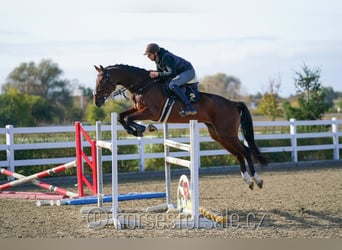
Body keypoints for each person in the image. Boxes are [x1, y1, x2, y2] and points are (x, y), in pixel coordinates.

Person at [144, 43, 197, 116]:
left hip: (188, 71)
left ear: (155, 53)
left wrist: (157, 74)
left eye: (149, 54)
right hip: (180, 73)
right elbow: (162, 74)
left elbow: (172, 74)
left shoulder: (166, 57)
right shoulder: (157, 59)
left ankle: (190, 107)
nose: (148, 57)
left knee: (172, 85)